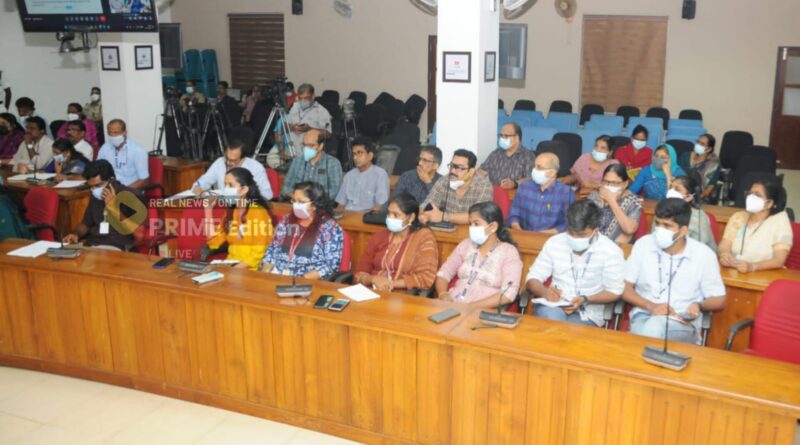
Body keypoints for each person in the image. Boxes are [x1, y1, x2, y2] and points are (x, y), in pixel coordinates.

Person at [623, 198, 726, 344]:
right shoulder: (643, 244)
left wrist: (699, 305)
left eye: (667, 225)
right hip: (644, 314)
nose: (659, 229)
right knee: (644, 332)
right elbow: (625, 288)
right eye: (657, 223)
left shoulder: (704, 254)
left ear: (683, 231)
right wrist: (651, 306)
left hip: (682, 322)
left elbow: (719, 300)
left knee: (649, 331)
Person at [526, 200, 625, 327]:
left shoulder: (611, 251)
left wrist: (585, 299)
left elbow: (615, 291)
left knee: (570, 331)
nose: (575, 238)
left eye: (581, 235)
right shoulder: (554, 243)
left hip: (589, 313)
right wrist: (545, 292)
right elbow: (532, 278)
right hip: (554, 307)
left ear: (595, 230)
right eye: (571, 233)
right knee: (553, 320)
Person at [435, 202, 522, 308]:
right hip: (453, 303)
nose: (471, 228)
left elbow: (508, 294)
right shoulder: (466, 244)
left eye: (476, 224)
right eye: (470, 224)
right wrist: (443, 294)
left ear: (493, 226)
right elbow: (443, 273)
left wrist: (471, 307)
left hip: (484, 309)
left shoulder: (509, 251)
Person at [354, 193, 439, 292]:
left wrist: (391, 284)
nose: (390, 218)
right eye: (389, 214)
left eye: (396, 215)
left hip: (403, 296)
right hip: (372, 292)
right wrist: (373, 279)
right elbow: (359, 274)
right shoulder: (379, 237)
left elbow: (425, 278)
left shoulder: (423, 238)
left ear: (411, 217)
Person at [260, 181, 344, 278]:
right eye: (294, 201)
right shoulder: (286, 221)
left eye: (301, 202)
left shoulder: (329, 228)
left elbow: (330, 265)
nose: (296, 205)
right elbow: (271, 252)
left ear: (315, 204)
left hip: (307, 280)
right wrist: (265, 276)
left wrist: (300, 280)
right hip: (278, 274)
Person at [62, 160, 145, 251]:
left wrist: (114, 208)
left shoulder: (131, 196)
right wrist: (75, 234)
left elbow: (139, 234)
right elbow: (85, 224)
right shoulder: (96, 195)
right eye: (91, 186)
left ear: (112, 180)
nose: (94, 190)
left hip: (118, 247)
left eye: (98, 185)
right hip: (93, 244)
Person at [718, 177, 793, 273]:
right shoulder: (738, 217)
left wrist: (753, 267)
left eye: (757, 195)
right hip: (734, 272)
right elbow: (725, 244)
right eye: (750, 193)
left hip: (765, 275)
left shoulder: (780, 221)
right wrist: (724, 254)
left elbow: (779, 260)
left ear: (769, 203)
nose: (750, 197)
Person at [205, 167, 274, 270]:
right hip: (231, 265)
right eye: (225, 185)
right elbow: (213, 242)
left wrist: (232, 271)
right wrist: (208, 210)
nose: (225, 189)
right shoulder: (232, 211)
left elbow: (257, 256)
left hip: (251, 270)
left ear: (244, 190)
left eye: (230, 185)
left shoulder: (257, 212)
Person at [420, 149, 493, 225]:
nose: (452, 171)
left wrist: (443, 216)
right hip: (448, 229)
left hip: (471, 230)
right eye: (452, 166)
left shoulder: (483, 185)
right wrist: (424, 215)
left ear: (471, 172)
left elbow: (479, 217)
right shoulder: (444, 181)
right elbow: (426, 204)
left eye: (459, 167)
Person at [192, 132, 273, 199]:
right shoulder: (219, 162)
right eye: (226, 158)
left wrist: (246, 196)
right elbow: (198, 185)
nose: (228, 163)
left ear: (243, 158)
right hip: (224, 206)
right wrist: (202, 193)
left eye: (233, 161)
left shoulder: (256, 168)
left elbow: (267, 195)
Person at [507, 152, 575, 232]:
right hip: (524, 234)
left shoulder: (566, 193)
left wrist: (548, 233)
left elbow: (570, 223)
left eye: (539, 167)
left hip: (551, 237)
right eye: (534, 166)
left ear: (552, 173)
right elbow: (513, 214)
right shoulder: (524, 187)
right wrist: (518, 229)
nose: (534, 170)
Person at [280, 129, 342, 199]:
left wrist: (311, 198)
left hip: (321, 204)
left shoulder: (332, 163)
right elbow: (286, 186)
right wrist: (296, 196)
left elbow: (335, 191)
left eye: (310, 145)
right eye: (304, 145)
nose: (306, 148)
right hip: (298, 202)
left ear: (321, 146)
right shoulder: (297, 161)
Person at [587, 164, 641, 244]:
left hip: (618, 246)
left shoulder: (633, 202)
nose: (609, 186)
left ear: (625, 184)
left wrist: (611, 201)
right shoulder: (594, 196)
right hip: (593, 244)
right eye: (606, 182)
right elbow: (584, 224)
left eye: (614, 183)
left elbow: (629, 229)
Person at [335, 138, 390, 212]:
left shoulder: (380, 175)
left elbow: (380, 206)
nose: (355, 158)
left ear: (370, 156)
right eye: (354, 154)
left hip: (365, 216)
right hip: (347, 215)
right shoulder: (349, 175)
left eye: (360, 153)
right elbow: (341, 204)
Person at [666, 174, 717, 252]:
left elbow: (701, 248)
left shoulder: (699, 218)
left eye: (677, 189)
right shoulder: (662, 212)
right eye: (670, 187)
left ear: (689, 197)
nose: (671, 191)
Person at [477, 123, 535, 189]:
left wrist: (514, 183)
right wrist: (472, 173)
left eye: (506, 136)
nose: (502, 138)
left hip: (515, 192)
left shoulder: (527, 156)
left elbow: (530, 179)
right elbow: (482, 172)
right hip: (494, 191)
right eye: (501, 135)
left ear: (517, 138)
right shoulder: (496, 153)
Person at [96, 119, 149, 190]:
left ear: (125, 133)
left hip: (130, 189)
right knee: (94, 192)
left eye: (116, 133)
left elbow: (144, 180)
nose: (112, 136)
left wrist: (122, 191)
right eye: (110, 133)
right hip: (109, 187)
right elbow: (98, 170)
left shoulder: (137, 151)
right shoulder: (105, 148)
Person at [562, 135, 619, 199]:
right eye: (596, 146)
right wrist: (564, 180)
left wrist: (595, 186)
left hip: (600, 197)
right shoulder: (584, 157)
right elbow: (575, 176)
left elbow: (615, 187)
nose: (598, 150)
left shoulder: (613, 164)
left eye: (602, 148)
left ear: (610, 152)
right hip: (579, 194)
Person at [283, 83, 332, 157]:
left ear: (313, 97)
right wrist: (292, 127)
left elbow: (328, 134)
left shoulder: (322, 111)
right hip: (290, 150)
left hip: (309, 153)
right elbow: (284, 126)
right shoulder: (295, 106)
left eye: (306, 98)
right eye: (300, 98)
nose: (303, 101)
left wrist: (309, 129)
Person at [688, 133, 720, 203]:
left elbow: (710, 187)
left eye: (702, 144)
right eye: (697, 142)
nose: (698, 145)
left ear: (709, 149)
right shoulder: (686, 156)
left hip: (700, 197)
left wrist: (696, 199)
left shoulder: (713, 164)